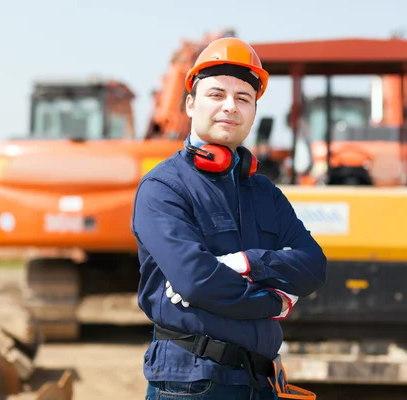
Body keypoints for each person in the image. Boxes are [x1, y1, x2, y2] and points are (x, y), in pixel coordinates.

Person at [132, 36, 327, 400]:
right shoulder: (163, 188)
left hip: (261, 382)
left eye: (243, 98)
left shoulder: (265, 192)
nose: (230, 107)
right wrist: (278, 300)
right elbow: (196, 282)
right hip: (191, 384)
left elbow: (314, 266)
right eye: (216, 94)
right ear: (190, 104)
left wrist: (244, 262)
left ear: (254, 111)